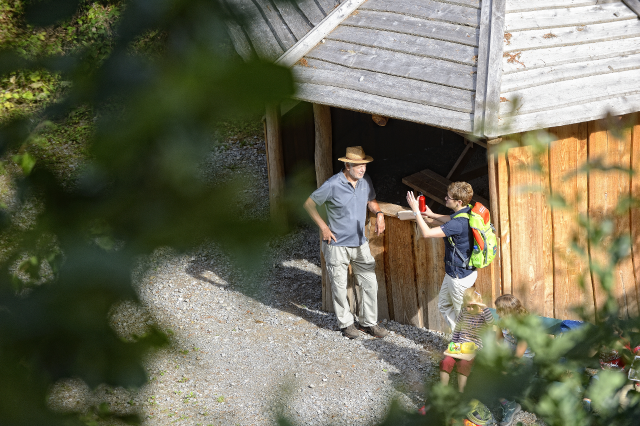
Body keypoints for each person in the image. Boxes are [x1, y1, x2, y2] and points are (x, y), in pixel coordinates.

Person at [303, 146, 388, 339]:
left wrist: (380, 213)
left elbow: (371, 201)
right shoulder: (333, 184)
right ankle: (346, 324)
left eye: (364, 165)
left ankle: (368, 323)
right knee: (340, 287)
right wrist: (324, 228)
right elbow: (309, 204)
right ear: (347, 165)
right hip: (337, 245)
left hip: (360, 243)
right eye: (358, 165)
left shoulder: (365, 180)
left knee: (370, 284)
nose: (363, 169)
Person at [406, 182, 476, 331]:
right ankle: (460, 339)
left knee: (461, 315)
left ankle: (467, 345)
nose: (445, 198)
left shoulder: (458, 224)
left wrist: (416, 212)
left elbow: (427, 233)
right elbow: (450, 220)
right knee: (444, 305)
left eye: (448, 197)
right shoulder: (467, 211)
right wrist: (431, 215)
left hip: (458, 277)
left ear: (458, 202)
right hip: (457, 272)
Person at [440, 287, 494, 392]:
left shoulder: (483, 314)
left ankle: (461, 393)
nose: (469, 309)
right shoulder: (464, 312)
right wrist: (453, 344)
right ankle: (443, 392)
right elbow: (457, 330)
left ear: (479, 303)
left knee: (463, 364)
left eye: (472, 306)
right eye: (467, 306)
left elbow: (491, 322)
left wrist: (485, 307)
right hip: (460, 344)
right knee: (445, 362)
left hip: (474, 347)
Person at [494, 294, 531, 426]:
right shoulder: (501, 320)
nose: (497, 312)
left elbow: (520, 351)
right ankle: (505, 401)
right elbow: (498, 339)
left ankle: (510, 406)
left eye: (499, 310)